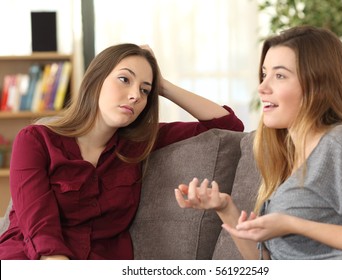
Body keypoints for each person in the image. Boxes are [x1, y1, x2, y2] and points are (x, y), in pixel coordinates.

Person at [0, 43, 244, 260]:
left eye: (145, 90)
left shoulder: (139, 144)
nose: (135, 95)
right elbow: (40, 229)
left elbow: (229, 126)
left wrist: (163, 86)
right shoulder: (35, 140)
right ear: (96, 79)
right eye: (125, 80)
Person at [175, 25, 342, 260]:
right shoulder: (290, 157)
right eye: (264, 74)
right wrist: (225, 208)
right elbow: (264, 265)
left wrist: (293, 224)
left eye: (279, 75)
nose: (262, 87)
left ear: (317, 86)